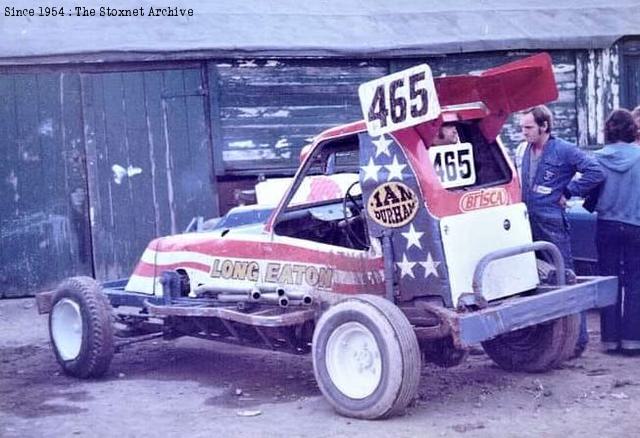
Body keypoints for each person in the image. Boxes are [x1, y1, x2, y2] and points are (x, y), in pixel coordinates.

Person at [516, 105, 605, 358]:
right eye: (522, 128)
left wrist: (569, 191)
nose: (524, 132)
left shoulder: (563, 149)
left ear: (544, 126)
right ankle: (550, 337)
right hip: (529, 219)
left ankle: (578, 340)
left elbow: (595, 171)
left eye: (529, 127)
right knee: (539, 278)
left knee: (566, 276)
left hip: (552, 221)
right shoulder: (524, 150)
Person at [593, 108, 640, 355]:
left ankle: (609, 341)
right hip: (636, 226)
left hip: (607, 224)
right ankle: (633, 341)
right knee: (636, 283)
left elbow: (585, 185)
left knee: (609, 281)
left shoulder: (598, 157)